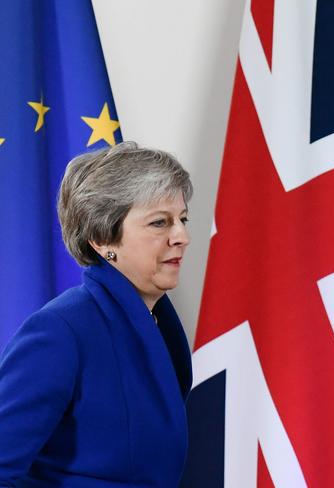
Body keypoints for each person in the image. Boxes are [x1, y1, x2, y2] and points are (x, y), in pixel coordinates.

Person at [0, 142, 193, 487]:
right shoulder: (60, 331)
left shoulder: (159, 322)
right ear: (102, 239)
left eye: (182, 219)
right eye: (159, 223)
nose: (182, 236)